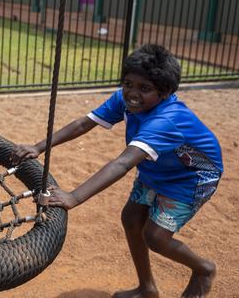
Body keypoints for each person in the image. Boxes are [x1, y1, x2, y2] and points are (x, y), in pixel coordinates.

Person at [14, 44, 222, 298]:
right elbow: (84, 123)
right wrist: (39, 147)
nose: (132, 93)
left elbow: (122, 164)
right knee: (131, 219)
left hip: (191, 177)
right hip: (157, 168)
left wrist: (73, 197)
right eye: (128, 84)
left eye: (144, 89)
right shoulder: (125, 99)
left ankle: (203, 269)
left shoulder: (166, 120)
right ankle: (147, 288)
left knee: (156, 237)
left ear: (165, 92)